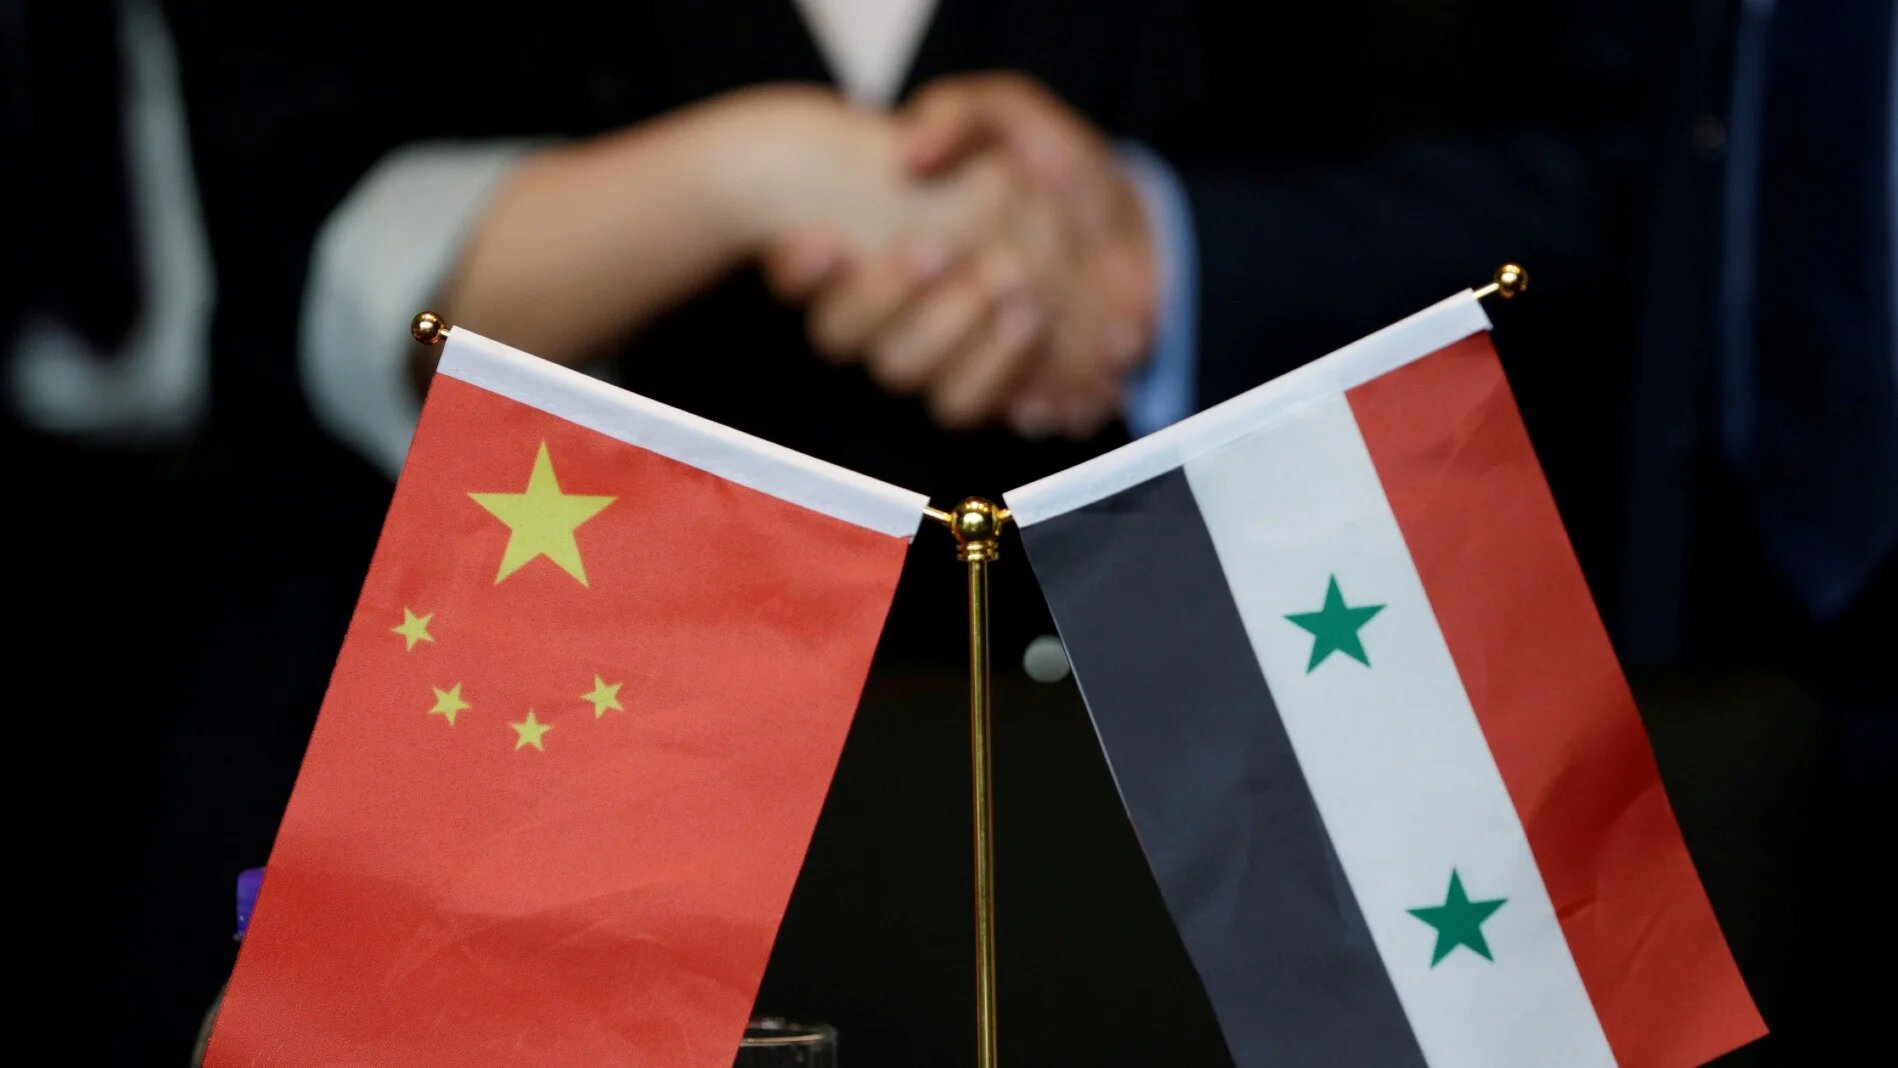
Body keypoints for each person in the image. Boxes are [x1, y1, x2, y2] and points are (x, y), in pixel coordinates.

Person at [111, 1, 1666, 1060]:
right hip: (517, 757)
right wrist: (768, 168)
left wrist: (1153, 263)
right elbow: (292, 244)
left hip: (1246, 766)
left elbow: (1643, 181)